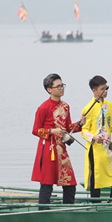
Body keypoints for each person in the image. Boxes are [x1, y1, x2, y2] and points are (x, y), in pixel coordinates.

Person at [32, 74, 86, 205]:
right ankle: (43, 212)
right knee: (47, 183)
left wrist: (80, 124)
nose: (62, 88)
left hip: (61, 149)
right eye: (58, 86)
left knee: (70, 184)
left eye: (62, 85)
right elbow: (35, 130)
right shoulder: (43, 107)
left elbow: (67, 127)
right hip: (48, 150)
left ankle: (68, 211)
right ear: (49, 89)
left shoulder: (66, 106)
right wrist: (52, 131)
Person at [81, 76, 112, 198]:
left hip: (108, 148)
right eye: (102, 89)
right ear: (94, 90)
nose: (105, 91)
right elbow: (83, 130)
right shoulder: (88, 108)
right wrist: (94, 137)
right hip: (95, 149)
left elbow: (109, 125)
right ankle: (95, 204)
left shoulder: (110, 105)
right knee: (96, 179)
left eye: (106, 88)